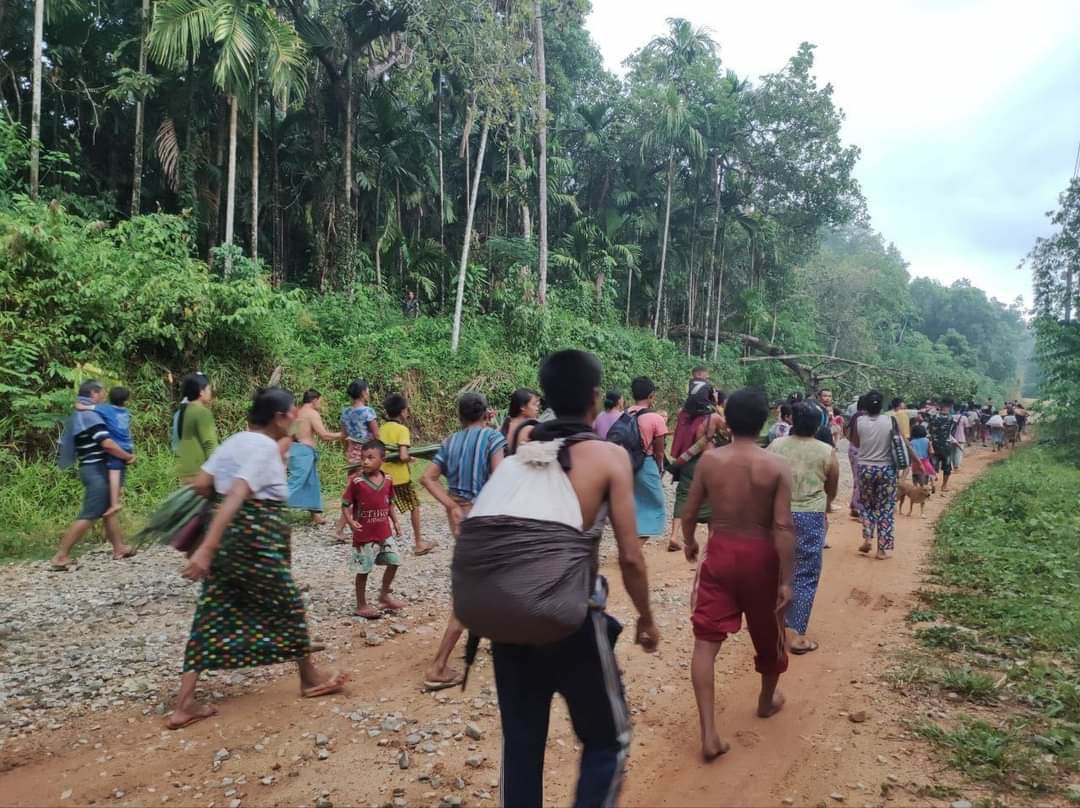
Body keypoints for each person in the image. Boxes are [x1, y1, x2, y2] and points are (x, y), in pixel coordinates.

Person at [476, 349, 659, 807]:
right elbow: (631, 557)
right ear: (595, 397)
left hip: (509, 619)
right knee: (608, 740)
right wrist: (645, 617)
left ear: (548, 398)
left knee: (521, 747)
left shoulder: (521, 456)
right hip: (571, 618)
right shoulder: (608, 458)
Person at [168, 388, 347, 730]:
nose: (295, 417)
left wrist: (210, 538)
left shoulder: (234, 441)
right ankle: (310, 680)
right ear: (278, 417)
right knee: (289, 605)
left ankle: (184, 705)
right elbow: (238, 492)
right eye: (291, 412)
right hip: (255, 541)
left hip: (230, 542)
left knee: (210, 613)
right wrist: (205, 548)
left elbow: (203, 484)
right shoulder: (264, 448)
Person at [680, 389, 794, 761]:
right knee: (770, 634)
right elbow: (783, 526)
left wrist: (689, 542)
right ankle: (766, 699)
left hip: (721, 551)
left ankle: (709, 734)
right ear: (764, 422)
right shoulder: (777, 466)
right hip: (762, 556)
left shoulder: (710, 461)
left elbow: (689, 512)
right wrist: (786, 578)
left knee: (705, 642)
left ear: (726, 421)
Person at [420, 392, 506, 689]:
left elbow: (427, 478)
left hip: (460, 519)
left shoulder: (450, 442)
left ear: (459, 416)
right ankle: (438, 666)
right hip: (482, 519)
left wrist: (452, 505)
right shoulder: (492, 438)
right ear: (485, 413)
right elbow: (500, 480)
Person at [768, 402, 839, 654]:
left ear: (792, 421)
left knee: (775, 568)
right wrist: (826, 505)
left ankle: (773, 625)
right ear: (818, 425)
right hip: (810, 515)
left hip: (778, 513)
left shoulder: (776, 446)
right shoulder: (826, 451)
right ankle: (795, 632)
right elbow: (832, 486)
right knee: (806, 573)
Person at [52, 381, 137, 570]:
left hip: (92, 468)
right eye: (102, 392)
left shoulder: (81, 414)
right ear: (93, 393)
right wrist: (127, 456)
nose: (105, 395)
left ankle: (119, 548)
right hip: (95, 469)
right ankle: (61, 556)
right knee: (90, 513)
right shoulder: (89, 416)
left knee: (108, 510)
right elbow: (107, 444)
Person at [342, 440, 407, 618]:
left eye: (370, 458)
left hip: (384, 532)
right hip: (364, 534)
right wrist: (350, 522)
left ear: (382, 460)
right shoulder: (357, 481)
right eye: (363, 458)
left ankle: (384, 594)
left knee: (394, 561)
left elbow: (389, 503)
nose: (365, 461)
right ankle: (361, 605)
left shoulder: (388, 480)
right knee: (364, 569)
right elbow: (345, 505)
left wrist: (396, 522)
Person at [379, 393, 433, 556]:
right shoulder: (402, 429)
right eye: (406, 410)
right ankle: (419, 543)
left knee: (384, 508)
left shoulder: (381, 429)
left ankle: (383, 544)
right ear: (402, 411)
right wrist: (411, 458)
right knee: (414, 506)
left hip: (383, 476)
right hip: (400, 478)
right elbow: (403, 456)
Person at [851, 391, 899, 559]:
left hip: (865, 468)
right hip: (886, 469)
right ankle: (882, 550)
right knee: (885, 508)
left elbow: (855, 442)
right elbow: (897, 442)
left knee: (866, 505)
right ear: (881, 405)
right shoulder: (890, 420)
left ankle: (867, 538)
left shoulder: (859, 421)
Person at [75, 386, 134, 516]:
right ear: (126, 401)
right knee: (120, 472)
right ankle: (118, 495)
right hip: (128, 445)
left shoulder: (106, 409)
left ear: (109, 398)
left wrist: (79, 406)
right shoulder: (125, 411)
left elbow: (85, 407)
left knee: (114, 473)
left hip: (118, 447)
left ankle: (115, 503)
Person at [286, 390, 342, 524]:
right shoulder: (312, 413)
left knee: (312, 483)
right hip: (303, 452)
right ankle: (271, 508)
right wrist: (343, 434)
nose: (320, 404)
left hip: (296, 449)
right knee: (295, 483)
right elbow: (324, 435)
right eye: (320, 401)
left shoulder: (297, 412)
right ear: (314, 400)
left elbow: (291, 434)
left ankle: (316, 516)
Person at [625, 377, 669, 540]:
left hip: (624, 464)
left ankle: (628, 541)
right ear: (651, 395)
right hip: (646, 464)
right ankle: (635, 547)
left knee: (633, 503)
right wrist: (660, 468)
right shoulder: (656, 418)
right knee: (655, 505)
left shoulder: (624, 414)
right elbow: (659, 452)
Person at [336, 380, 379, 540]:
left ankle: (353, 527)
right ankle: (340, 529)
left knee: (354, 489)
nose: (368, 393)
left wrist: (347, 451)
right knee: (360, 491)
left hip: (352, 454)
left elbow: (343, 435)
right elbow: (376, 436)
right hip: (366, 455)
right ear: (362, 393)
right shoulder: (368, 412)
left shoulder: (345, 412)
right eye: (367, 390)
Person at [174, 373, 218, 481]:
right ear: (201, 392)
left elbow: (176, 443)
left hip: (185, 471)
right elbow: (210, 445)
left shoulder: (179, 413)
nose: (210, 392)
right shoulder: (202, 413)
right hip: (201, 473)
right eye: (208, 389)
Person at [845, 395, 867, 519]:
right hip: (860, 449)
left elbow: (847, 432)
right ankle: (858, 507)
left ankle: (855, 505)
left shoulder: (855, 416)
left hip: (853, 448)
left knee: (857, 479)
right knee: (861, 480)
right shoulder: (864, 417)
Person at [928, 398, 957, 493]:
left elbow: (928, 431)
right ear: (950, 406)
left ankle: (932, 485)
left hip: (934, 445)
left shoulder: (932, 417)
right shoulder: (952, 419)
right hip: (946, 445)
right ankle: (944, 486)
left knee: (932, 465)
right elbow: (951, 432)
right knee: (947, 466)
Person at [501, 388, 541, 455]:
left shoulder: (505, 424)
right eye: (534, 404)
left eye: (537, 405)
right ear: (522, 407)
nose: (537, 409)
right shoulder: (529, 428)